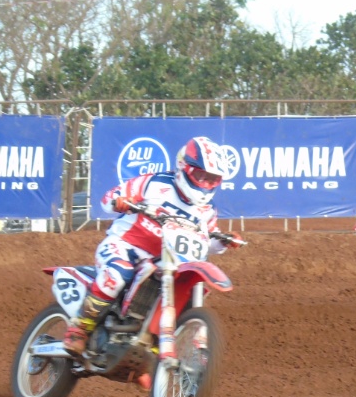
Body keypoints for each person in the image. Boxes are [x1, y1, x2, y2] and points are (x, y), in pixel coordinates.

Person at [62, 136, 242, 356]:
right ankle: (80, 328)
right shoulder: (155, 183)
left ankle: (154, 350)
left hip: (166, 259)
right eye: (200, 176)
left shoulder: (207, 211)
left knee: (188, 287)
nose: (205, 184)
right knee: (118, 275)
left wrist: (222, 241)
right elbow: (110, 197)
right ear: (184, 168)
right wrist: (118, 200)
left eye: (212, 180)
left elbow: (208, 241)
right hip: (124, 245)